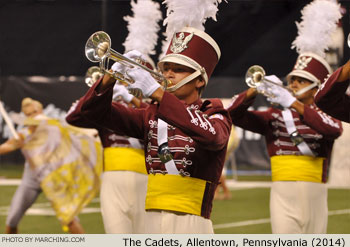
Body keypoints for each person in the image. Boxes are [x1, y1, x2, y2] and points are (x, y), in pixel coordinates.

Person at [76, 26, 231, 233]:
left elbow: (213, 137)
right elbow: (91, 113)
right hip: (150, 218)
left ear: (199, 79)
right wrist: (111, 76)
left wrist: (158, 94)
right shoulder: (150, 114)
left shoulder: (214, 112)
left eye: (178, 69)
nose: (168, 74)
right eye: (166, 68)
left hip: (192, 221)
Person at [227, 52, 343, 233]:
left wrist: (293, 104)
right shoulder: (274, 116)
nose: (293, 84)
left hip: (316, 192)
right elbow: (232, 115)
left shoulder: (326, 115)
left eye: (301, 80)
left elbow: (334, 130)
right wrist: (255, 89)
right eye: (292, 79)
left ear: (316, 88)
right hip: (282, 194)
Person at [0, 97, 102, 234]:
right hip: (31, 179)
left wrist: (91, 133)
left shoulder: (54, 127)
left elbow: (76, 132)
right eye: (28, 114)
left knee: (69, 218)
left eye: (34, 112)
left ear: (41, 111)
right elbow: (6, 147)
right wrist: (16, 144)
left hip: (53, 179)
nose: (33, 116)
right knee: (12, 219)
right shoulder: (23, 135)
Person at [66, 79, 148, 233]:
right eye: (120, 80)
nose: (123, 85)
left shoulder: (146, 104)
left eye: (127, 80)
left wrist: (132, 99)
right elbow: (73, 116)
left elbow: (161, 121)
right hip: (112, 177)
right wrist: (100, 91)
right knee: (116, 236)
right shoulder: (108, 109)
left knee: (144, 237)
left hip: (145, 179)